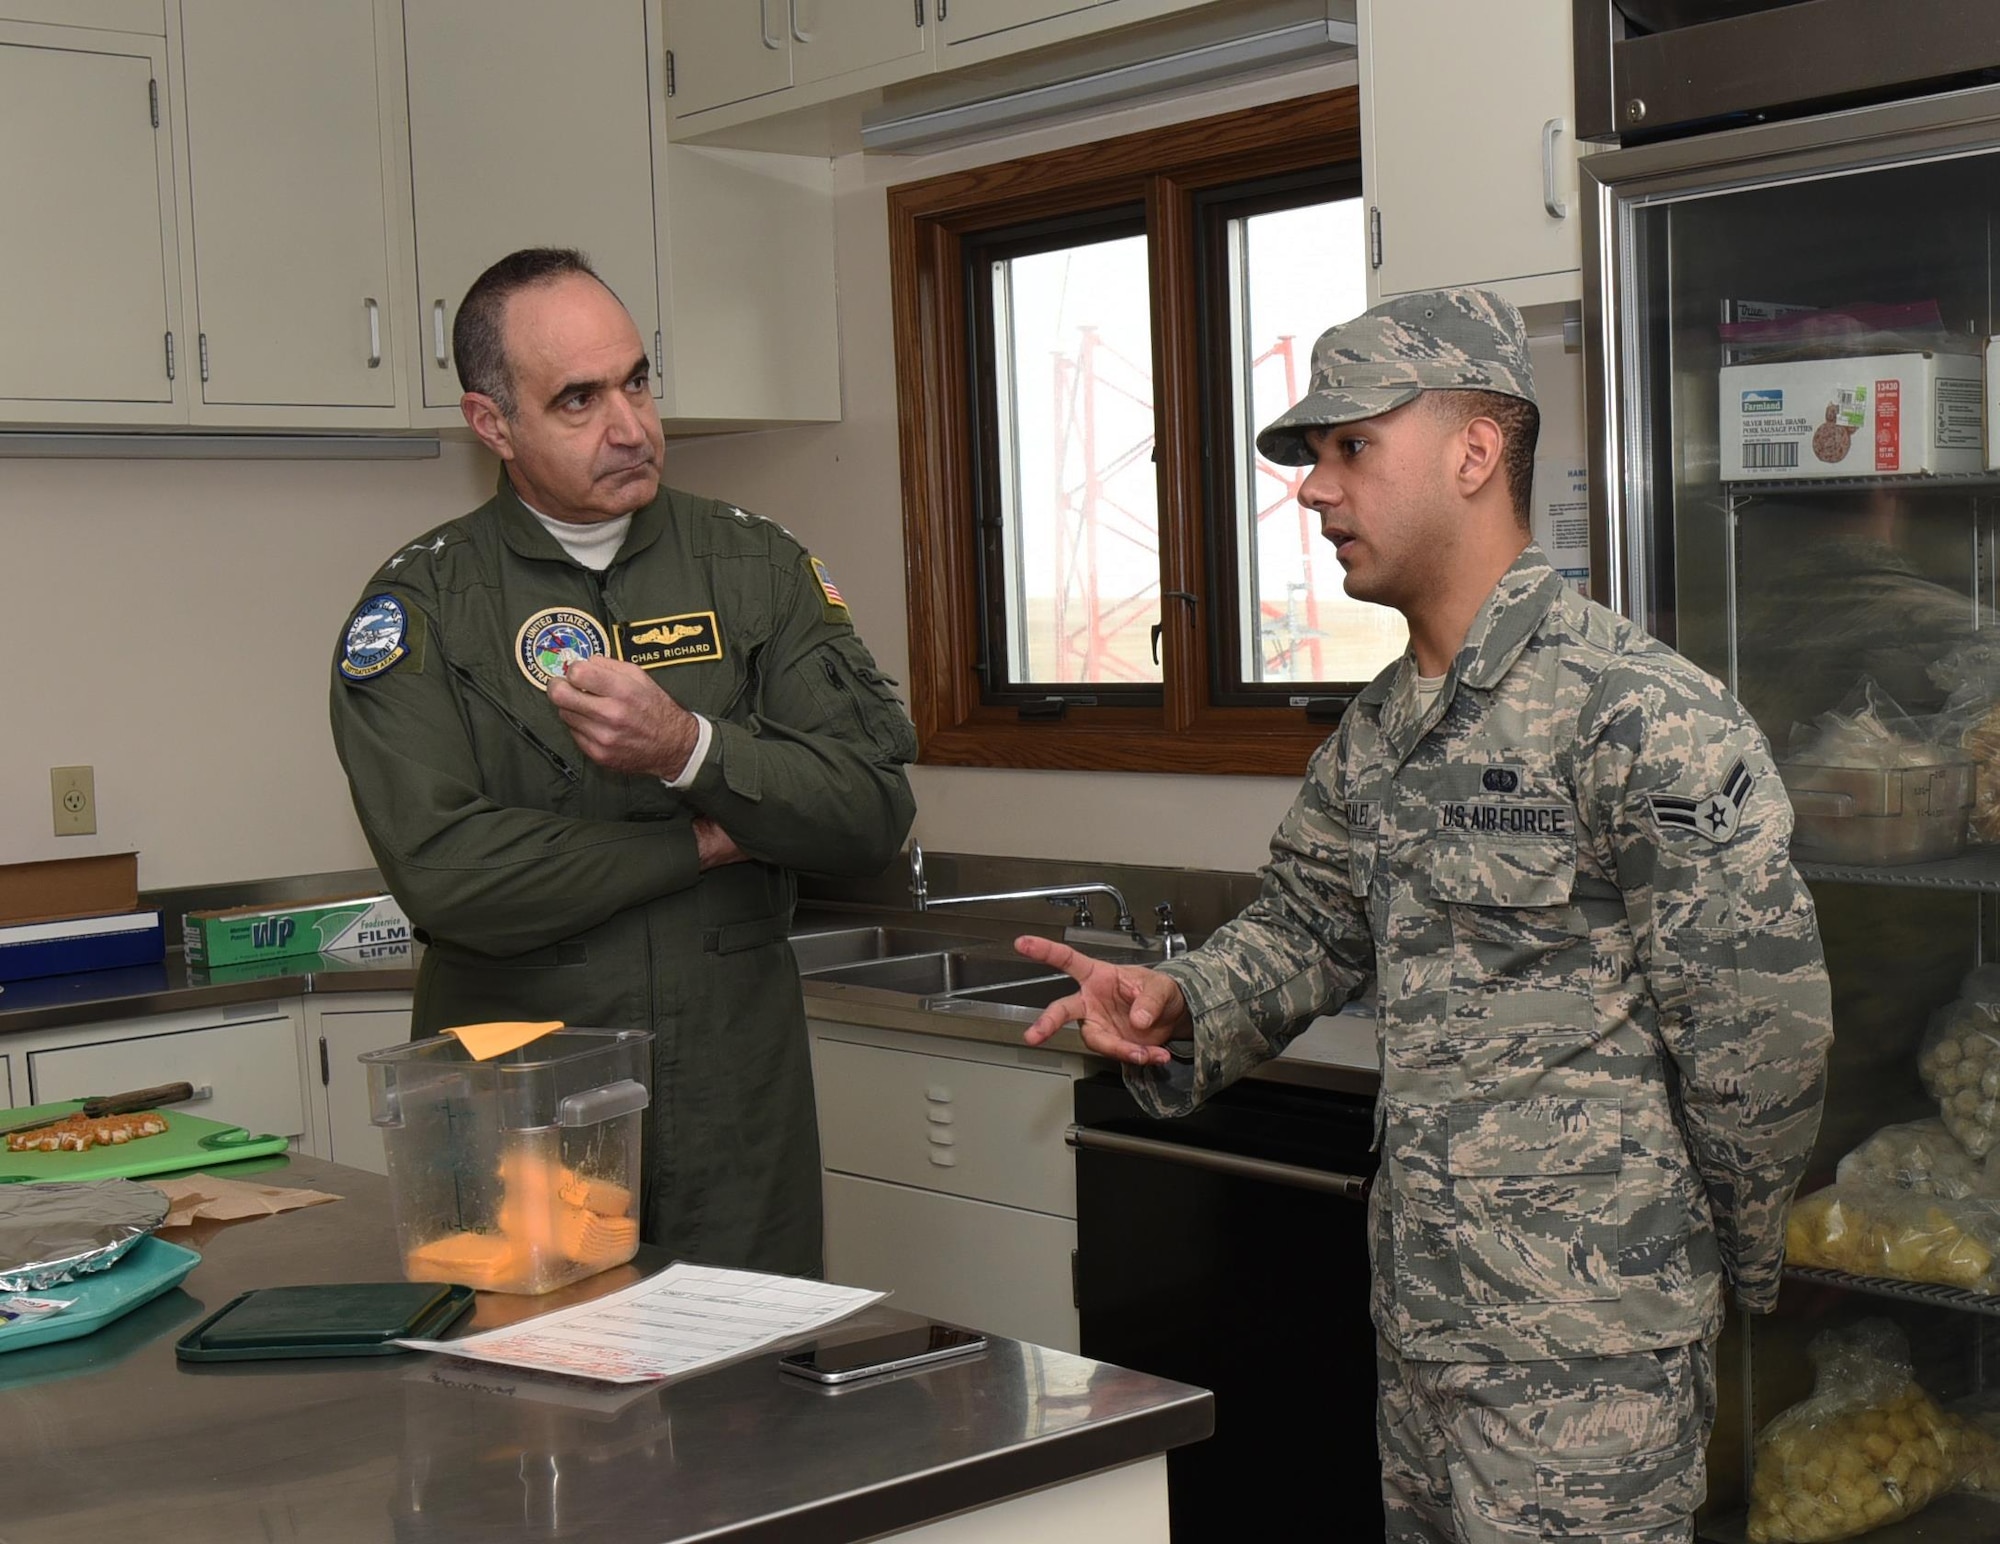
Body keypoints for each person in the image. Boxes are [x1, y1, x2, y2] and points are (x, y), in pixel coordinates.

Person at [1016, 289, 1834, 1543]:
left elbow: (1758, 1028)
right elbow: (1306, 920)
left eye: (1350, 447)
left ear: (1472, 451)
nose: (1311, 489)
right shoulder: (1385, 723)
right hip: (1422, 1322)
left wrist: (1706, 1264)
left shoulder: (1636, 711)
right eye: (1311, 457)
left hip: (1585, 1358)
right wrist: (1178, 997)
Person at [329, 248, 917, 1276]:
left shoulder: (754, 567)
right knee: (523, 1413)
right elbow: (450, 874)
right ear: (491, 423)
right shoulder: (422, 606)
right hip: (516, 1092)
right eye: (577, 398)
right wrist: (702, 840)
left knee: (750, 1400)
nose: (631, 425)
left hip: (732, 1088)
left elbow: (870, 806)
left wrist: (690, 748)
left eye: (638, 380)